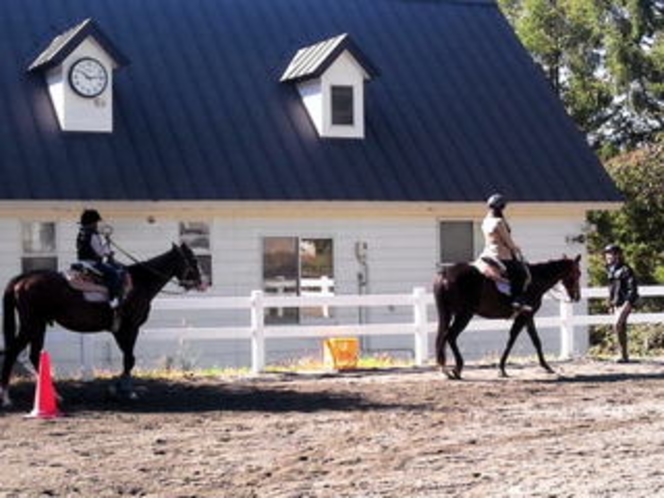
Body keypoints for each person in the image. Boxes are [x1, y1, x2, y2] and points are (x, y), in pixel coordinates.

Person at [479, 193, 531, 313]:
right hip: (500, 255)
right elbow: (507, 241)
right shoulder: (499, 222)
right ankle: (517, 301)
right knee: (521, 273)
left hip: (487, 254)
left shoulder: (485, 221)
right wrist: (516, 248)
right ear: (501, 208)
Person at [77, 209, 124, 308]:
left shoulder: (81, 233)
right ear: (91, 222)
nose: (96, 224)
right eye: (95, 222)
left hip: (82, 261)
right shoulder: (93, 234)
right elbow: (100, 253)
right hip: (92, 263)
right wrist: (108, 248)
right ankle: (112, 299)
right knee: (114, 274)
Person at [603, 244, 639, 363]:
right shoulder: (610, 269)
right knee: (620, 327)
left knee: (617, 324)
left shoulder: (626, 269)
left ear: (617, 255)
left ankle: (622, 354)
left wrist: (628, 302)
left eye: (610, 253)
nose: (608, 256)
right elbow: (611, 289)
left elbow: (632, 288)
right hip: (616, 302)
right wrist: (611, 304)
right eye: (607, 253)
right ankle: (624, 355)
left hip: (626, 302)